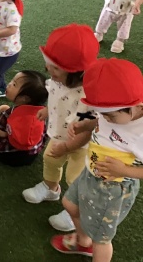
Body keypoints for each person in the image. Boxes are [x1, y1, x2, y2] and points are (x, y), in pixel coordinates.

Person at [51, 58, 143, 261]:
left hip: (113, 188)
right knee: (70, 204)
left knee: (101, 239)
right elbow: (100, 120)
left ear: (136, 106)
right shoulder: (112, 110)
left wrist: (124, 171)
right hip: (90, 172)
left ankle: (91, 245)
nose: (106, 119)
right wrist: (84, 125)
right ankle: (83, 242)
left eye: (111, 116)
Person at [22, 24, 99, 232]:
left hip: (81, 146)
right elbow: (57, 97)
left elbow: (86, 130)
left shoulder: (87, 95)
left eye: (56, 68)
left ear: (78, 73)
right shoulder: (58, 80)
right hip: (59, 135)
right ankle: (50, 188)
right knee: (50, 160)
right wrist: (48, 110)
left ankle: (76, 211)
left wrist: (67, 147)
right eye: (49, 64)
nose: (49, 70)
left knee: (76, 178)